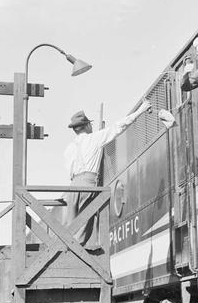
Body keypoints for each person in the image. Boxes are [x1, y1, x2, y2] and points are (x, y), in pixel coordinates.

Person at [63, 99, 151, 246]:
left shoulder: (70, 148)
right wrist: (140, 111)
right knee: (84, 226)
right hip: (88, 183)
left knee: (71, 227)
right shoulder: (95, 138)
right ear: (87, 125)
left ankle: (66, 253)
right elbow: (119, 126)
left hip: (72, 186)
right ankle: (75, 255)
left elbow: (69, 170)